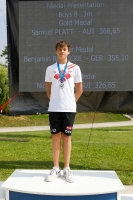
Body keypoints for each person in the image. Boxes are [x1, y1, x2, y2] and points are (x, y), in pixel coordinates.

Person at [45, 40, 82, 183]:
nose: (62, 51)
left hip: (69, 109)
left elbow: (79, 90)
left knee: (66, 137)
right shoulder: (50, 69)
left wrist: (70, 102)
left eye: (64, 49)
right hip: (54, 108)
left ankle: (66, 168)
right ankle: (56, 168)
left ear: (68, 51)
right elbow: (48, 90)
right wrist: (55, 101)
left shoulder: (75, 68)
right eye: (60, 49)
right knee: (55, 137)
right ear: (56, 51)